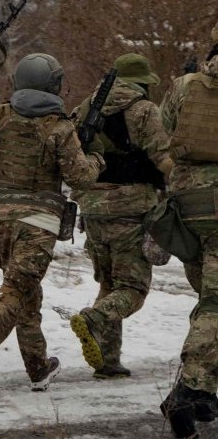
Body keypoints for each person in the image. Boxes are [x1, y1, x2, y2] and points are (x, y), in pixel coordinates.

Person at [0, 54, 103, 393]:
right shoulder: (60, 126)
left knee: (26, 294)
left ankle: (37, 368)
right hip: (39, 220)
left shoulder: (2, 116)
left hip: (1, 216)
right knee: (18, 290)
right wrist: (96, 158)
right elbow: (81, 177)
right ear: (53, 85)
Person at [68, 53, 173, 378]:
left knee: (111, 282)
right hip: (132, 209)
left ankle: (108, 360)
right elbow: (163, 156)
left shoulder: (86, 109)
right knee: (134, 289)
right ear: (140, 82)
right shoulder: (145, 111)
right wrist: (180, 185)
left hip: (93, 208)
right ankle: (93, 319)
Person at [158, 29, 218, 439]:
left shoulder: (184, 84)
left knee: (209, 297)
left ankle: (203, 395)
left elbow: (165, 128)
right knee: (216, 303)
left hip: (187, 205)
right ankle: (190, 389)